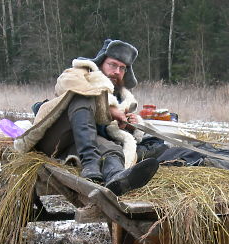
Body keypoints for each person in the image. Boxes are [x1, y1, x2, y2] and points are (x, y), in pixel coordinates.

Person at [14, 39, 159, 196]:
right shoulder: (78, 73)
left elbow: (108, 132)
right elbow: (67, 87)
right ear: (101, 63)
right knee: (84, 96)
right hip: (56, 139)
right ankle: (90, 163)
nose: (117, 71)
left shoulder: (122, 100)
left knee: (113, 149)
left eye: (122, 68)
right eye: (113, 65)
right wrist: (108, 110)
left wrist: (128, 126)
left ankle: (116, 178)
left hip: (81, 145)